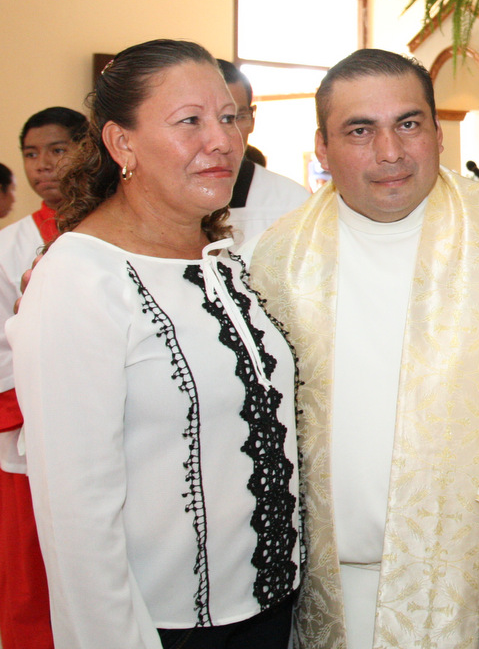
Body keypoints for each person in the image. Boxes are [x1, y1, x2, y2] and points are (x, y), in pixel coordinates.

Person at [8, 40, 301, 649]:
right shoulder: (80, 280)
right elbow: (77, 519)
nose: (221, 141)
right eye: (189, 120)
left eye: (228, 117)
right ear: (122, 144)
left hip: (272, 605)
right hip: (166, 625)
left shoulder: (225, 261)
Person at [247, 48, 479, 649]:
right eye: (360, 131)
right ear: (322, 148)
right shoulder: (273, 259)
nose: (390, 152)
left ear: (437, 131)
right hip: (329, 588)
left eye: (408, 124)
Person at [0, 105, 87, 649]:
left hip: (104, 418)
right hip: (26, 423)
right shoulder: (9, 244)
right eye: (31, 154)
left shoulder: (114, 228)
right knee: (33, 569)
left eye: (57, 150)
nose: (43, 165)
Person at [216, 60, 310, 246]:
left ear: (252, 118)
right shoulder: (161, 199)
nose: (220, 137)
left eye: (233, 118)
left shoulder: (291, 203)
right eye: (193, 119)